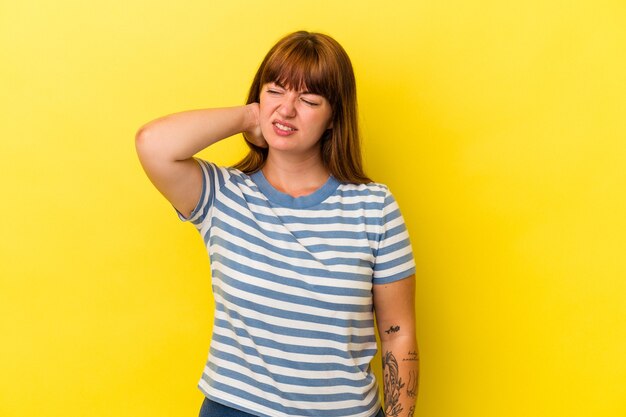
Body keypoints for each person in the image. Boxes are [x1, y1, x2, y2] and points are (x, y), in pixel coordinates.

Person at [136, 30, 418, 417]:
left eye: (308, 99)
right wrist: (250, 115)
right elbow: (152, 143)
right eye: (275, 90)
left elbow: (398, 332)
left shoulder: (374, 206)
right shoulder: (223, 195)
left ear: (334, 116)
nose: (287, 110)